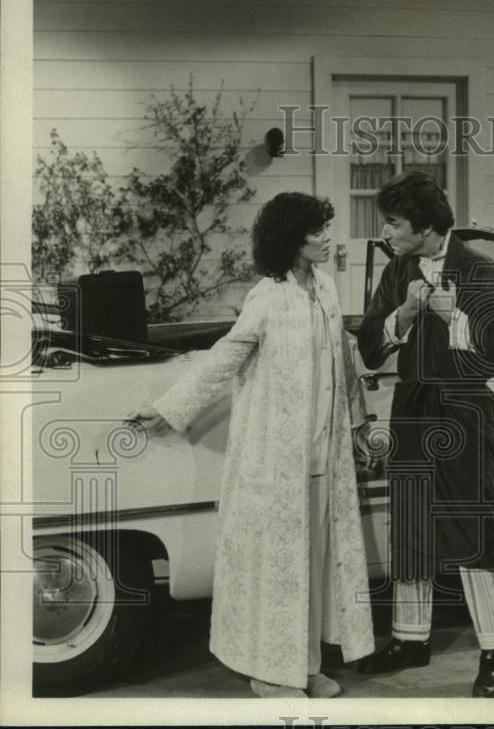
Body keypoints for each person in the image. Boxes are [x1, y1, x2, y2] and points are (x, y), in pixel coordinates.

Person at [127, 192, 374, 698]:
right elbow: (227, 354)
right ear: (291, 238)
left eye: (326, 229)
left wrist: (358, 423)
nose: (327, 239)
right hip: (276, 462)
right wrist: (170, 406)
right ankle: (270, 673)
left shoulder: (325, 288)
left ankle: (304, 668)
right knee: (277, 573)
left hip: (324, 460)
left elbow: (343, 362)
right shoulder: (268, 295)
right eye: (318, 232)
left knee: (312, 571)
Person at [356, 170, 494, 698]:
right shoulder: (398, 266)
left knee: (472, 527)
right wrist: (401, 316)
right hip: (412, 406)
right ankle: (410, 640)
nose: (388, 230)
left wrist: (458, 321)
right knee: (410, 522)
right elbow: (368, 344)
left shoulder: (479, 266)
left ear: (426, 227)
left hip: (464, 410)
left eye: (395, 222)